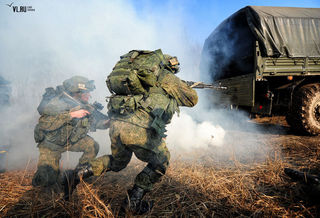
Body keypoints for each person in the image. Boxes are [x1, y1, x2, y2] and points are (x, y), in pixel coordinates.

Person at [63, 51, 198, 215]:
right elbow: (192, 100)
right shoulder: (166, 77)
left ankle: (76, 174)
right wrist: (183, 87)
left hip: (117, 127)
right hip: (139, 129)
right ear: (169, 65)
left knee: (118, 162)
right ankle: (133, 203)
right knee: (160, 161)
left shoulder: (136, 77)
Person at [32, 76, 109, 187]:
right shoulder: (57, 103)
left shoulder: (84, 105)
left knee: (92, 146)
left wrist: (107, 123)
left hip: (70, 141)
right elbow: (45, 123)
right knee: (47, 181)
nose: (89, 95)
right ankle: (41, 179)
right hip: (51, 145)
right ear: (76, 92)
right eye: (86, 92)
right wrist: (71, 115)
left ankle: (77, 175)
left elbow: (95, 122)